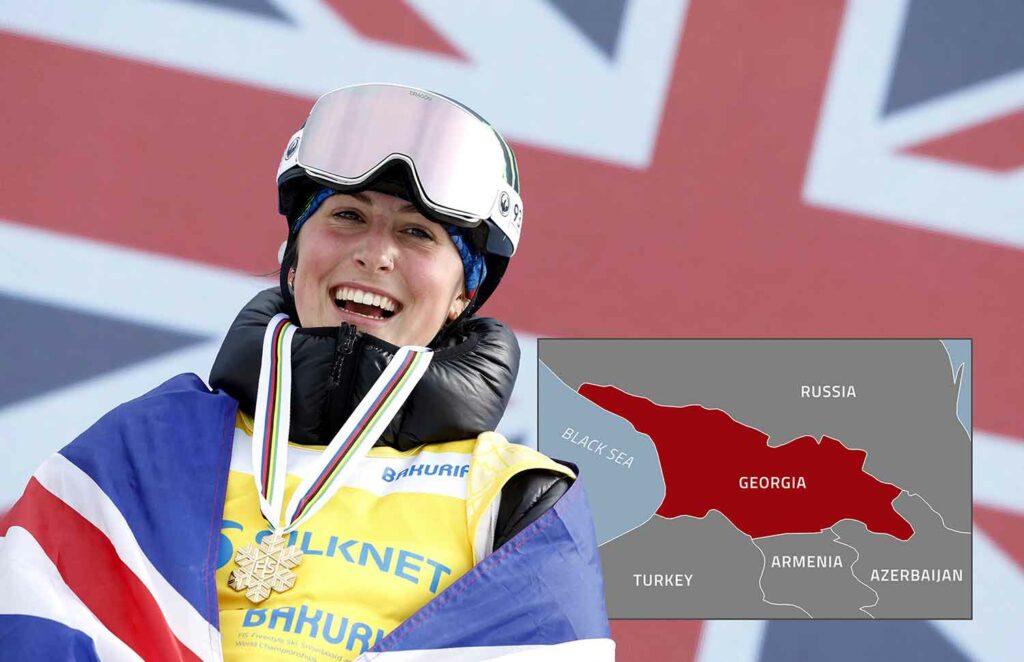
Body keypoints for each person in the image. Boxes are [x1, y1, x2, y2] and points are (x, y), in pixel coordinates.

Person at [0, 83, 613, 661]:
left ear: (461, 297)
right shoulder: (148, 444)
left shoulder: (520, 501)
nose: (375, 252)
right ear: (293, 258)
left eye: (417, 233)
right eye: (347, 216)